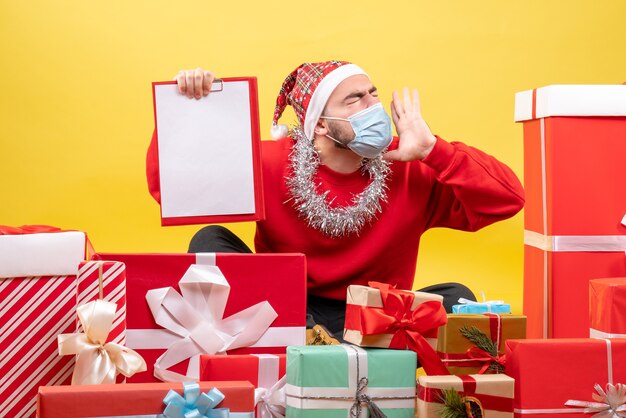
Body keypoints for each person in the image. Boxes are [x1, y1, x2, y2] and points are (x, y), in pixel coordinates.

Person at [146, 61, 525, 338]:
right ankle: (311, 343)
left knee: (457, 298)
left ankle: (338, 351)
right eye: (355, 100)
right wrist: (189, 106)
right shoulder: (272, 160)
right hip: (286, 310)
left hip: (376, 315)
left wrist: (433, 150)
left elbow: (507, 199)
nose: (373, 106)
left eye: (373, 94)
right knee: (209, 240)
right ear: (321, 124)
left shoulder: (408, 165)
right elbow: (174, 189)